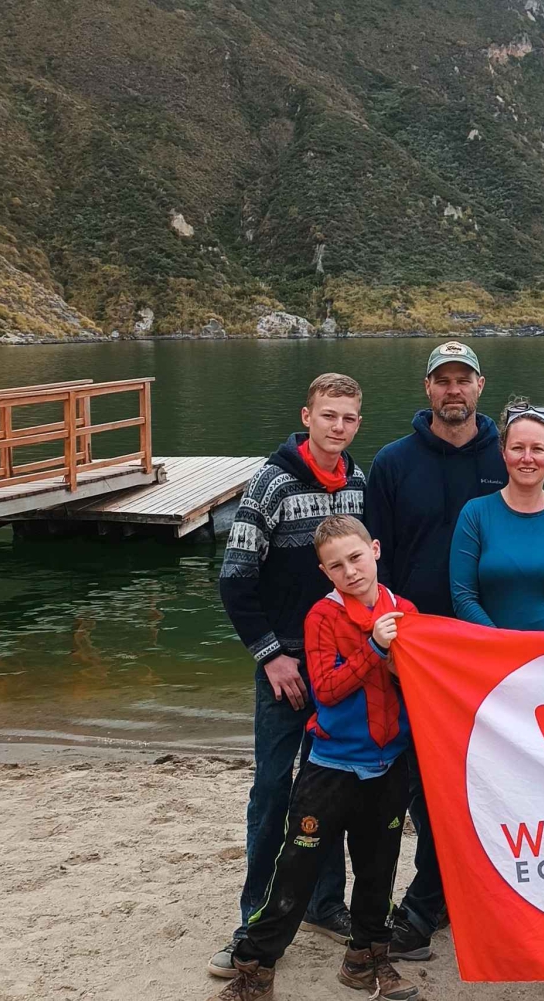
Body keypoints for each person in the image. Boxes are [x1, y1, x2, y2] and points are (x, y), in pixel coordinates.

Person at [364, 343, 544, 960]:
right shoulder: (392, 463)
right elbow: (375, 561)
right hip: (424, 653)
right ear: (428, 387)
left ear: (481, 386)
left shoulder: (507, 454)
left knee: (504, 780)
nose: (453, 390)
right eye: (443, 380)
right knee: (430, 783)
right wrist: (386, 635)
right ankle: (432, 899)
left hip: (500, 656)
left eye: (463, 379)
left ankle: (461, 897)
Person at [208, 515, 419, 1001]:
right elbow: (325, 690)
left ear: (376, 550)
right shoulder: (322, 617)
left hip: (388, 764)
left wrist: (401, 667)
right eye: (336, 565)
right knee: (295, 873)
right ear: (324, 572)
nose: (350, 571)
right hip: (331, 767)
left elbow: (422, 684)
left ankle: (366, 960)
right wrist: (374, 647)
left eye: (356, 557)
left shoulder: (404, 611)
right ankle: (256, 968)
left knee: (378, 870)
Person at [210, 374, 367, 977]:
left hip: (340, 665)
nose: (337, 426)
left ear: (357, 423)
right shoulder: (271, 483)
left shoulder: (357, 483)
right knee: (275, 789)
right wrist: (271, 655)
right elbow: (235, 579)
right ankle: (253, 916)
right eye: (328, 415)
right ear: (307, 416)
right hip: (287, 667)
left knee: (329, 786)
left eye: (348, 418)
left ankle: (325, 903)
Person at [450, 399, 544, 632]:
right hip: (492, 649)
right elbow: (463, 597)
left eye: (538, 449)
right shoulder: (475, 514)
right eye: (518, 448)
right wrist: (501, 643)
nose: (527, 458)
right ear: (503, 452)